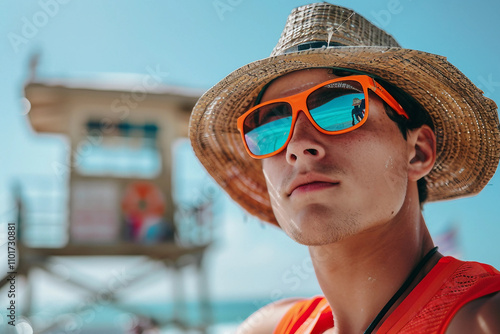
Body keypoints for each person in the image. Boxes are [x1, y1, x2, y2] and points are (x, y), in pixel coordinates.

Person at [189, 3, 500, 333]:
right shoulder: (269, 328)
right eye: (271, 127)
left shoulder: (482, 321)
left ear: (418, 152)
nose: (296, 145)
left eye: (340, 108)